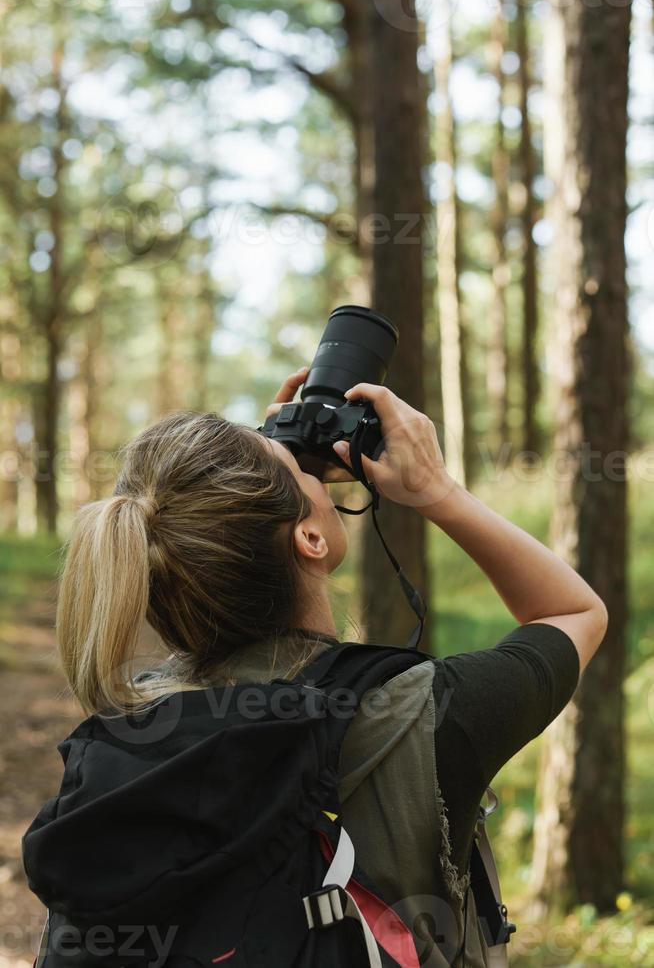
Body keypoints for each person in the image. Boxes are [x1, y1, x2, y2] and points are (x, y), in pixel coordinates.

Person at [23, 369, 608, 968]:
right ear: (310, 537)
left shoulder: (137, 717)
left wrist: (261, 470)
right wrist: (436, 490)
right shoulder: (412, 713)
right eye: (306, 474)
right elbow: (574, 610)